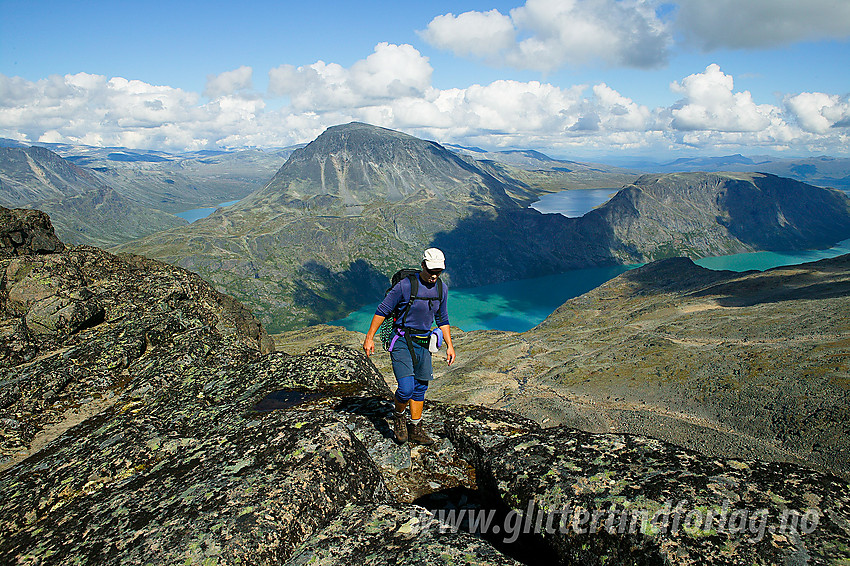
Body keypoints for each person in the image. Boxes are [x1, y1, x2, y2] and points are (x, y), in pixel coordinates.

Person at [363, 248, 455, 445]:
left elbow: (442, 318)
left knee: (420, 387)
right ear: (423, 265)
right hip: (402, 340)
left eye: (438, 271)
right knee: (405, 389)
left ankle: (415, 427)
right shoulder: (405, 286)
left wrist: (450, 345)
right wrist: (369, 337)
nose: (434, 275)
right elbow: (383, 310)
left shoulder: (442, 289)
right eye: (431, 270)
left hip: (423, 342)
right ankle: (398, 417)